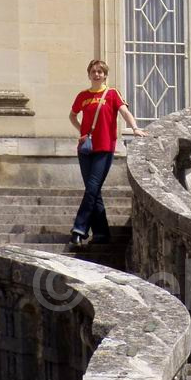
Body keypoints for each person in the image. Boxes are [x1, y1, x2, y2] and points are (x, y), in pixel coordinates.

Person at [68, 59, 145, 249]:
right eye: (93, 71)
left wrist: (134, 128)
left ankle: (79, 229)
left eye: (100, 72)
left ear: (105, 75)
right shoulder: (83, 96)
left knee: (92, 188)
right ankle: (101, 233)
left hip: (104, 148)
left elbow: (124, 112)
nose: (96, 74)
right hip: (86, 149)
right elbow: (72, 115)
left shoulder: (111, 94)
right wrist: (82, 132)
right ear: (89, 74)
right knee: (93, 191)